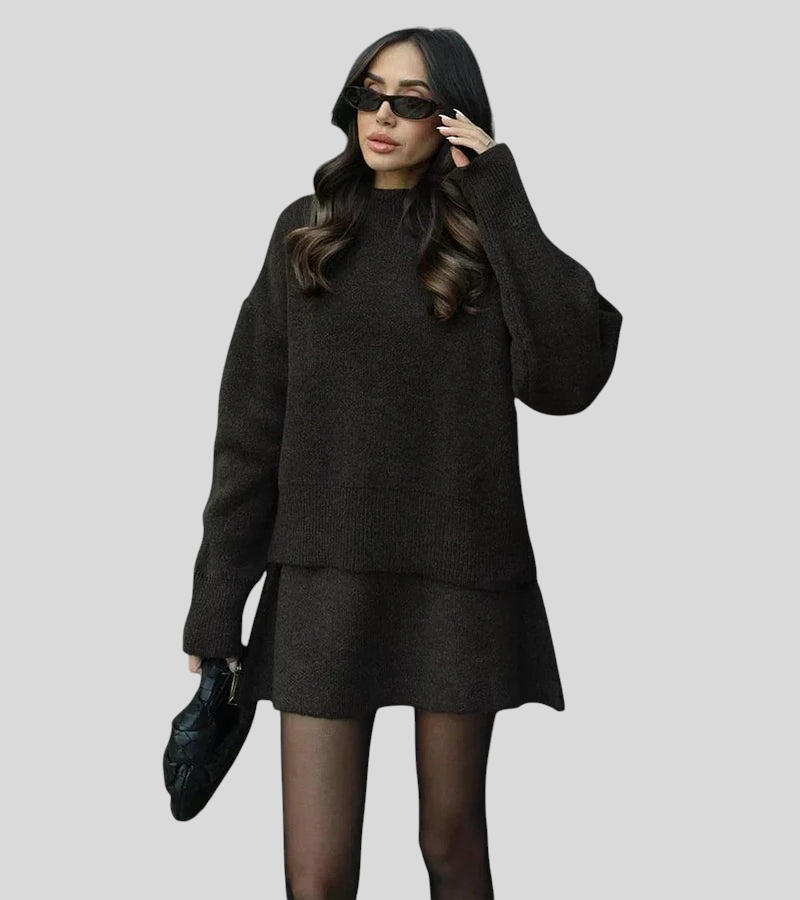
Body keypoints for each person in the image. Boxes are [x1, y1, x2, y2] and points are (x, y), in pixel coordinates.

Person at [182, 27, 622, 900]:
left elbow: (570, 377)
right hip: (322, 578)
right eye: (369, 94)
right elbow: (249, 429)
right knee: (315, 877)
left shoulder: (484, 233)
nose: (381, 116)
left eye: (410, 102)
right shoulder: (305, 232)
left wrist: (498, 189)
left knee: (450, 845)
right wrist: (217, 602)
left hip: (457, 581)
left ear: (452, 117)